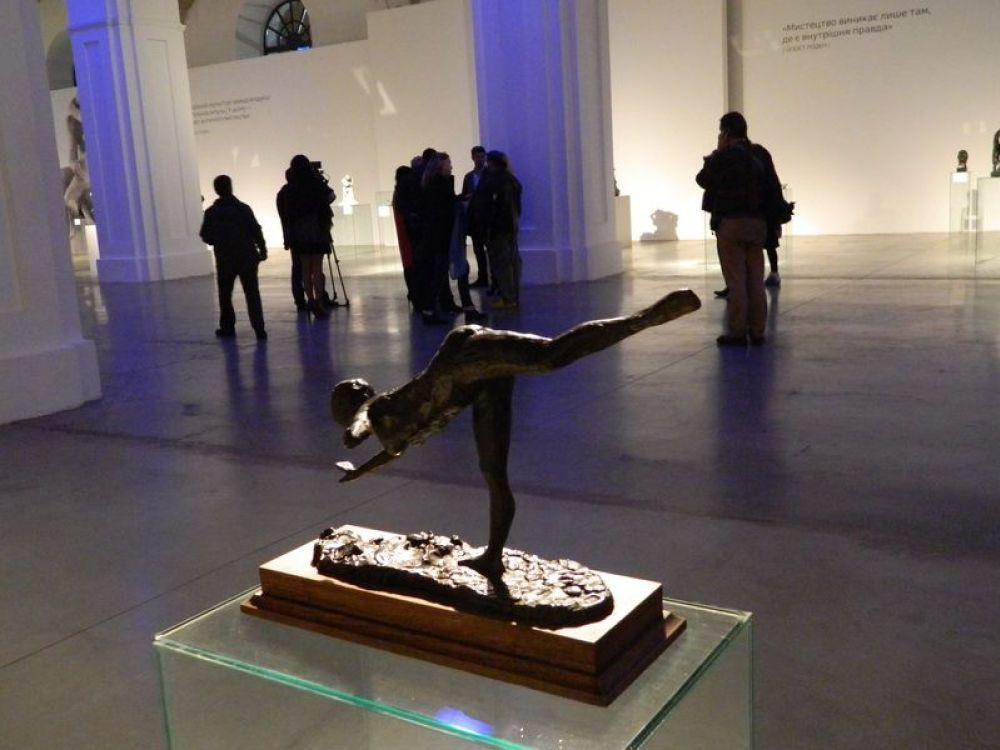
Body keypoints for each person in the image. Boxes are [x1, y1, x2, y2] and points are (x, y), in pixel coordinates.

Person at [330, 288, 701, 585]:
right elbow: (394, 451)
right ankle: (492, 557)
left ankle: (647, 317)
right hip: (475, 387)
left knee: (548, 357)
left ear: (353, 402)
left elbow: (359, 427)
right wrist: (360, 471)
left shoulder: (377, 408)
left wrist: (353, 435)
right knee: (494, 473)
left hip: (462, 359)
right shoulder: (393, 426)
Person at [696, 111, 779, 346]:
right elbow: (773, 188)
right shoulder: (760, 154)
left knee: (736, 280)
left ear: (725, 133)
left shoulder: (724, 156)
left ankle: (738, 331)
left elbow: (703, 179)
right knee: (755, 279)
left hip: (731, 224)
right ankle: (758, 330)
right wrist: (774, 224)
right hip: (757, 224)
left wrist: (717, 152)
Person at [199, 175, 268, 341]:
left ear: (216, 190)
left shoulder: (211, 212)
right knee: (252, 293)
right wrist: (262, 248)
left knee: (225, 295)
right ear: (231, 187)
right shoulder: (243, 209)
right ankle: (259, 328)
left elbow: (205, 235)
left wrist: (217, 241)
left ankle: (228, 327)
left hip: (225, 259)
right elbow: (255, 230)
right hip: (247, 256)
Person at [276, 155, 336, 318]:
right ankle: (319, 301)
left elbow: (286, 213)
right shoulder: (315, 183)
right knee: (317, 267)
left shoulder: (289, 190)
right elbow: (331, 196)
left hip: (299, 232)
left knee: (305, 268)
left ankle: (310, 300)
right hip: (317, 229)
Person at [482, 151, 523, 310]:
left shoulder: (496, 182)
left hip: (499, 228)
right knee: (512, 262)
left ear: (492, 163)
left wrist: (488, 225)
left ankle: (508, 297)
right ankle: (513, 296)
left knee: (502, 263)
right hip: (511, 226)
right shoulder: (512, 180)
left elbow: (493, 207)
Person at [461, 145, 490, 288]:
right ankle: (483, 277)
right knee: (478, 251)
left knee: (490, 250)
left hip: (487, 219)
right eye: (477, 157)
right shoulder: (469, 177)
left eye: (482, 157)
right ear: (473, 158)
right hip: (474, 219)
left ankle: (494, 279)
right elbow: (464, 195)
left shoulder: (489, 175)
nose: (480, 159)